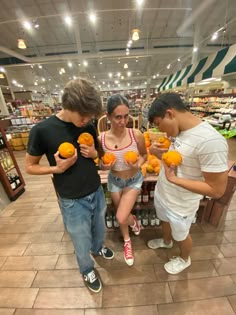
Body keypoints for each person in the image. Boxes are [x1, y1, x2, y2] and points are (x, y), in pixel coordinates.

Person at [25, 78, 114, 293]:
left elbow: (99, 153)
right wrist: (57, 169)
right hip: (72, 200)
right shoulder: (42, 130)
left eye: (90, 116)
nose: (86, 120)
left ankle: (97, 247)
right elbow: (30, 167)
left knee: (99, 227)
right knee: (80, 238)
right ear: (67, 106)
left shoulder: (89, 125)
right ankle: (86, 268)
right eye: (83, 115)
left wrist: (95, 154)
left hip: (96, 190)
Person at [147, 92, 228, 274]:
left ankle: (185, 259)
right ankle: (166, 242)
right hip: (164, 193)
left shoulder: (211, 141)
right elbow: (180, 159)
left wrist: (175, 180)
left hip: (182, 204)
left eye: (160, 125)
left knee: (182, 235)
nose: (161, 131)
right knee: (164, 221)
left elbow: (216, 190)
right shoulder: (180, 132)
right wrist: (159, 154)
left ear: (170, 113)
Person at [98, 94, 147, 266]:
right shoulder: (101, 139)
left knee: (120, 217)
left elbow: (144, 155)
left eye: (126, 116)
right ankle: (127, 238)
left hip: (133, 180)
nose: (123, 121)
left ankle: (131, 224)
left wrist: (137, 165)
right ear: (109, 116)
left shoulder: (136, 135)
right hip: (114, 182)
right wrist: (105, 166)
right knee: (123, 215)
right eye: (118, 117)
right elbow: (101, 164)